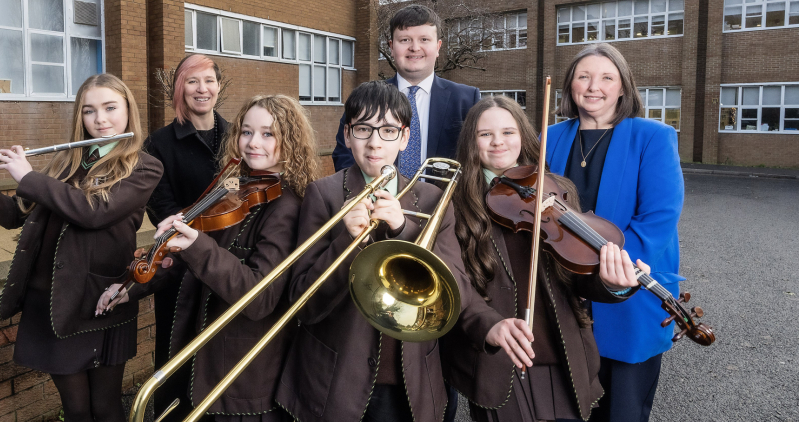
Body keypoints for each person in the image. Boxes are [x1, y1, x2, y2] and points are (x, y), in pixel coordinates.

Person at [0, 74, 163, 422]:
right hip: (52, 299)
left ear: (128, 111)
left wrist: (29, 177)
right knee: (75, 409)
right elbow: (18, 214)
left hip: (98, 299)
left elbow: (94, 213)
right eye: (89, 111)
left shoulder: (144, 166)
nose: (100, 119)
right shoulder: (67, 160)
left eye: (109, 108)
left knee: (104, 407)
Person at [277, 81, 499, 422]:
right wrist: (346, 244)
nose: (375, 142)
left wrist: (403, 229)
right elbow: (303, 302)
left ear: (405, 138)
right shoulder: (323, 194)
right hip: (336, 381)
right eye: (363, 129)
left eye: (388, 130)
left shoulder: (432, 198)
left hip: (410, 385)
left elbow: (456, 286)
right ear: (347, 135)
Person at [99, 94, 321, 422]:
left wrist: (197, 244)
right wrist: (131, 287)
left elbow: (261, 297)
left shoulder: (287, 207)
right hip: (199, 357)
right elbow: (187, 263)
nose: (252, 143)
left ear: (289, 140)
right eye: (246, 132)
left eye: (268, 133)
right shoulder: (235, 185)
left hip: (238, 376)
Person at [443, 95, 647, 422]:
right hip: (498, 359)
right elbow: (455, 288)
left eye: (508, 132)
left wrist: (612, 283)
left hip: (562, 352)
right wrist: (489, 326)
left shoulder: (556, 190)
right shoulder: (454, 203)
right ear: (471, 141)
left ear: (524, 135)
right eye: (485, 134)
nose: (498, 142)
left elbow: (579, 276)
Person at [547, 43, 685, 422]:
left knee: (622, 412)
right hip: (564, 290)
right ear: (570, 85)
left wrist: (616, 269)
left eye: (607, 77)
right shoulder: (550, 136)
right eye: (584, 76)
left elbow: (659, 216)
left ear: (623, 87)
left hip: (627, 289)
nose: (594, 86)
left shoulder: (653, 136)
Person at [143, 54, 228, 421]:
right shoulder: (159, 143)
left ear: (219, 86)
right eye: (192, 81)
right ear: (180, 88)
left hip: (229, 261)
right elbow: (160, 204)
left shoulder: (236, 134)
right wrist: (187, 231)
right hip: (180, 265)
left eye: (208, 80)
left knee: (222, 348)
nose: (201, 89)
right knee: (176, 350)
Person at [332, 4, 480, 176]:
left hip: (446, 202)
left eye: (424, 39)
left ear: (438, 47)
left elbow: (477, 160)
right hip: (377, 200)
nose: (415, 48)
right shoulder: (366, 98)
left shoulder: (467, 99)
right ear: (391, 47)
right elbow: (344, 157)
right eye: (405, 40)